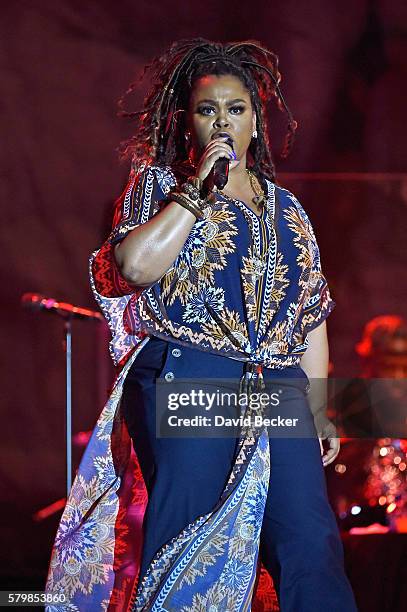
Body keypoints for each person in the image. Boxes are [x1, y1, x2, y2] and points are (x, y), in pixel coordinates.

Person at [45, 38, 358, 611]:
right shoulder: (161, 188)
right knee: (189, 542)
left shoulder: (288, 208)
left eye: (236, 109)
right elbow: (135, 266)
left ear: (256, 122)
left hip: (279, 385)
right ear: (187, 121)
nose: (222, 122)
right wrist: (195, 194)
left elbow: (311, 314)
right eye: (207, 109)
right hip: (190, 374)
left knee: (309, 542)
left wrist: (318, 408)